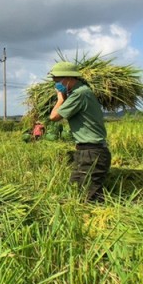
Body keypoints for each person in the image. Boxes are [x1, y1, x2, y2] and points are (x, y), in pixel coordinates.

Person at [48, 61, 111, 202]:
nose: (56, 85)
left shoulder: (80, 94)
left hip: (92, 152)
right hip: (86, 151)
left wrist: (60, 98)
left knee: (89, 197)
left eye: (57, 81)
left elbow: (54, 116)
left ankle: (97, 221)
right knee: (76, 190)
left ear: (69, 78)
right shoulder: (80, 92)